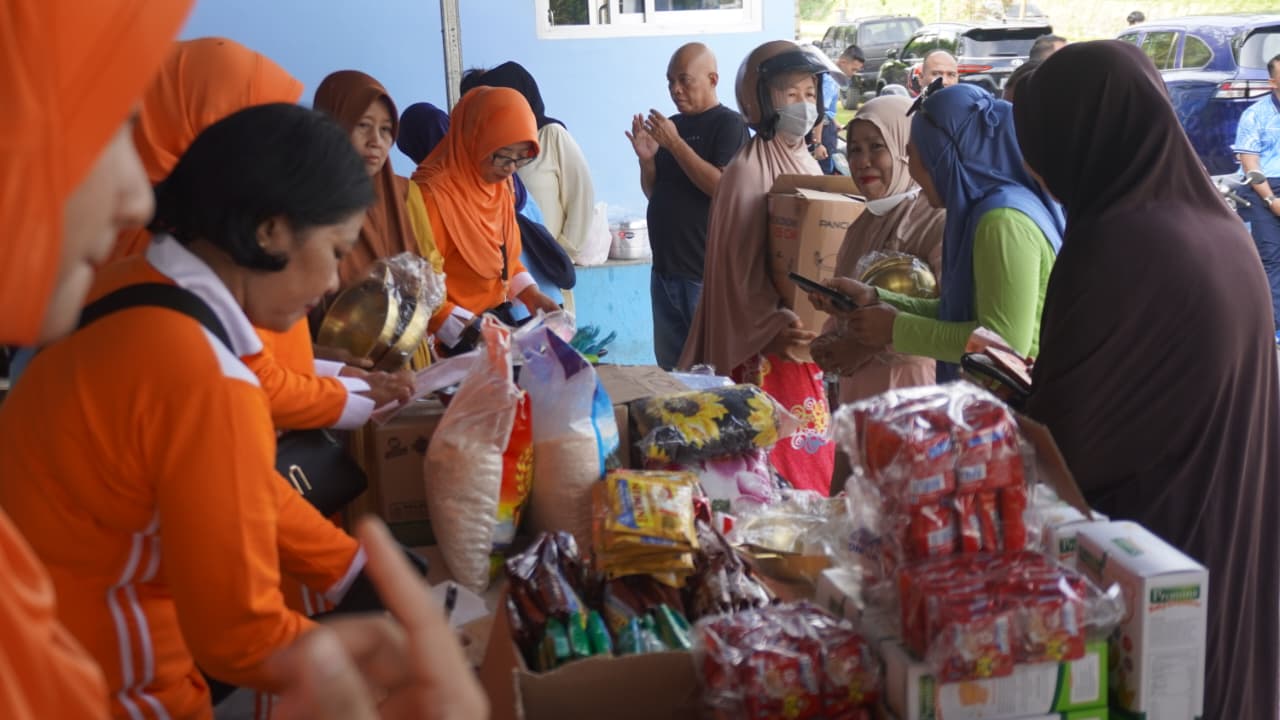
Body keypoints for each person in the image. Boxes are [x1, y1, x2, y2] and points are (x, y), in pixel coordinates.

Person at [0, 5, 483, 720]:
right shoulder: (202, 376)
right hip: (118, 683)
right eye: (333, 250)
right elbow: (239, 633)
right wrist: (399, 657)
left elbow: (236, 485)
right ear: (268, 229)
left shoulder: (137, 287)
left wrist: (349, 567)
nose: (330, 283)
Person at [1016, 40, 1280, 719]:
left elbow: (1066, 445)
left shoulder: (1117, 242)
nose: (1036, 167)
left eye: (1041, 141)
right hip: (1229, 521)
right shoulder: (1220, 226)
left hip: (1155, 547)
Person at [816, 83, 1063, 382]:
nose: (914, 172)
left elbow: (1003, 344)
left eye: (915, 155)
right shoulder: (986, 212)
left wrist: (896, 330)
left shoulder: (1002, 221)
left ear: (944, 156)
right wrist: (876, 297)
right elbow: (962, 312)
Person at [679, 40, 836, 493]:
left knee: (813, 461)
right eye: (790, 94)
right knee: (769, 470)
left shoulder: (806, 160)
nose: (803, 105)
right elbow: (736, 275)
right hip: (766, 348)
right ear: (760, 100)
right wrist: (775, 323)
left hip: (807, 347)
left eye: (810, 93)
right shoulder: (746, 174)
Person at [626, 42, 748, 369]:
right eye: (670, 82)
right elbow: (656, 194)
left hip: (703, 274)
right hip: (665, 270)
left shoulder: (729, 125)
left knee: (709, 371)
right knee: (672, 370)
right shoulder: (670, 127)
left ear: (712, 79)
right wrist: (648, 161)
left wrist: (676, 144)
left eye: (684, 80)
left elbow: (722, 187)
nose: (675, 90)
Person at [412, 86, 561, 353]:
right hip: (448, 344)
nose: (510, 168)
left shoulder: (501, 186)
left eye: (520, 159)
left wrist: (532, 296)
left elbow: (504, 259)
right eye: (503, 155)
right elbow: (417, 288)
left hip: (493, 329)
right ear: (473, 139)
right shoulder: (431, 197)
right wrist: (472, 333)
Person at [816, 95, 943, 405]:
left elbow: (949, 315)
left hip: (912, 387)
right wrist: (830, 336)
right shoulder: (864, 222)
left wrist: (865, 347)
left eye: (877, 147)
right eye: (855, 149)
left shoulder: (936, 217)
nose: (862, 162)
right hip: (859, 388)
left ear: (905, 150)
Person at [463, 61, 598, 266]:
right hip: (504, 267)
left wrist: (561, 253)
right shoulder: (486, 149)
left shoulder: (551, 136)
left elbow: (581, 195)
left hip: (548, 265)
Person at [1233, 53, 1280, 341]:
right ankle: (1274, 326)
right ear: (1273, 82)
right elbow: (1251, 167)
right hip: (1265, 188)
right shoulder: (1255, 115)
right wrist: (1272, 201)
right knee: (1271, 257)